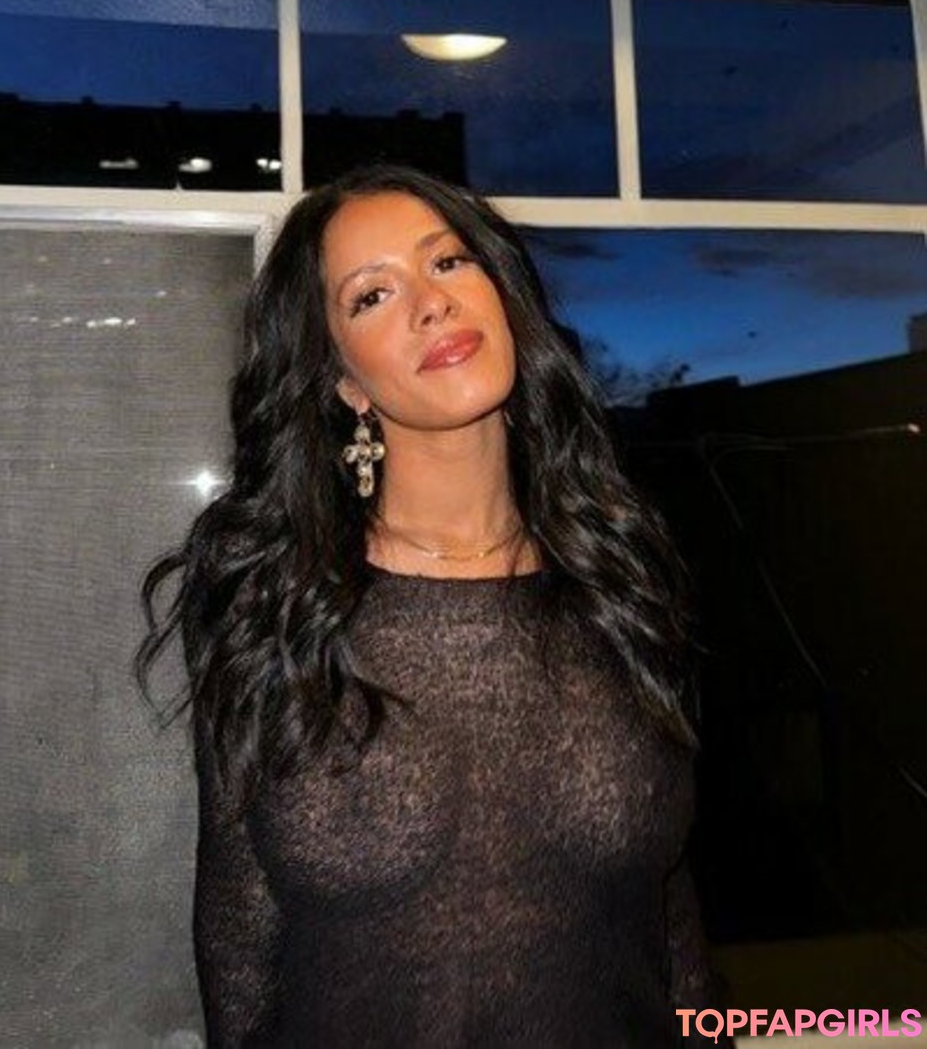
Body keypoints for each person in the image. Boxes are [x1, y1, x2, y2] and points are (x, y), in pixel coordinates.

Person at [136, 163, 732, 1047]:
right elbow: (237, 941)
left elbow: (671, 919)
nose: (431, 303)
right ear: (344, 380)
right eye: (373, 294)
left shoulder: (621, 579)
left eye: (449, 261)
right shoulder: (272, 607)